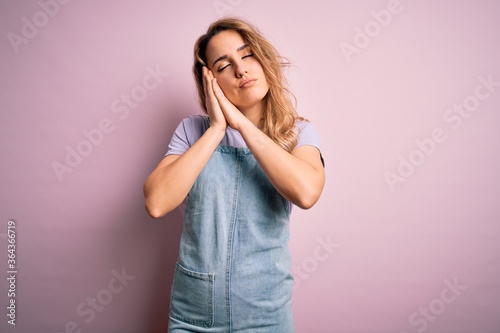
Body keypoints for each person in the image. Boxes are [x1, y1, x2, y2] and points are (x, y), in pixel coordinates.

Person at [143, 17, 325, 333]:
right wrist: (217, 129)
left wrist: (241, 125)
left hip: (266, 315)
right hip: (194, 317)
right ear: (211, 81)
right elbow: (157, 202)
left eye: (247, 55)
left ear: (263, 59)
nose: (241, 70)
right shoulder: (192, 131)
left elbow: (307, 193)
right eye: (224, 65)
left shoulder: (298, 133)